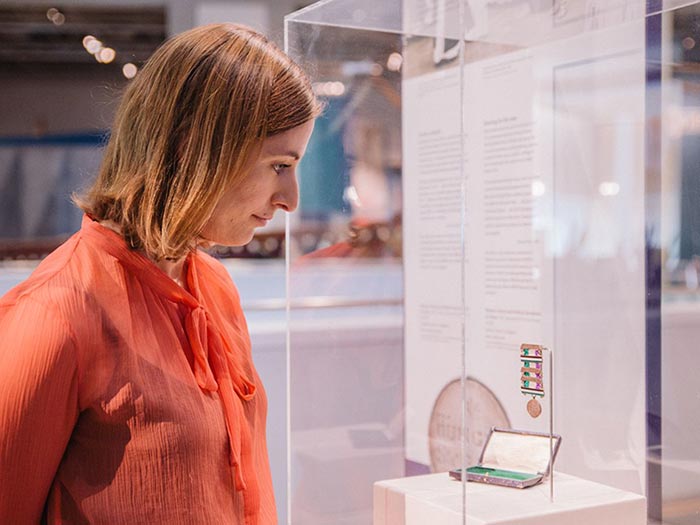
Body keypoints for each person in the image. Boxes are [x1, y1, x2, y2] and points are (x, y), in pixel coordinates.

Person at [0, 23, 320, 524]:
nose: (291, 199)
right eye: (279, 165)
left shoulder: (215, 287)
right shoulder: (54, 313)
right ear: (199, 150)